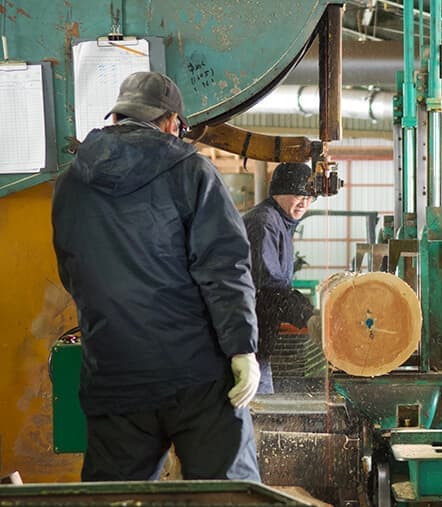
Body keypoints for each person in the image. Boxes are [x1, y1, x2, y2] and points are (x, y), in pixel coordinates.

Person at [52, 71, 262, 482]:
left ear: (117, 116)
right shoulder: (192, 172)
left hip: (114, 372)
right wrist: (242, 350)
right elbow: (224, 267)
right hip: (196, 377)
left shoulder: (70, 183)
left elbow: (72, 270)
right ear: (170, 122)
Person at [243, 163, 317, 393]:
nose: (304, 202)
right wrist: (307, 315)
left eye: (310, 197)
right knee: (255, 403)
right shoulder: (264, 223)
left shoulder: (280, 222)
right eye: (298, 195)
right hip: (245, 337)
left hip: (257, 338)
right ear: (278, 192)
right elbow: (268, 287)